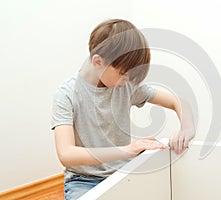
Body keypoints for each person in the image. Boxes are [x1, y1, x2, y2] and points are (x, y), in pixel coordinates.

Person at [51, 19, 195, 200]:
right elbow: (66, 154)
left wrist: (187, 128)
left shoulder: (125, 86)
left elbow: (178, 102)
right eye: (123, 75)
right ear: (98, 62)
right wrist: (128, 150)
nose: (127, 81)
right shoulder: (67, 95)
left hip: (124, 175)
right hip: (83, 180)